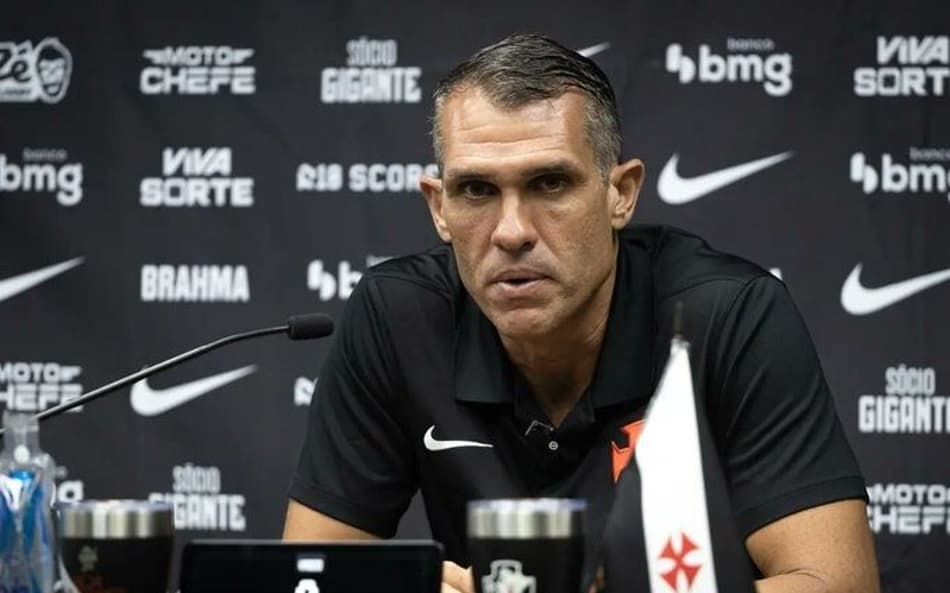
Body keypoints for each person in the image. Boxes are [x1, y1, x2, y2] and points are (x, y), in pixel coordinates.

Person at [284, 33, 879, 593]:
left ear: (621, 192)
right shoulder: (397, 316)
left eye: (549, 183)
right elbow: (307, 577)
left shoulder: (727, 314)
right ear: (439, 208)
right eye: (476, 191)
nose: (512, 231)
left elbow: (836, 584)